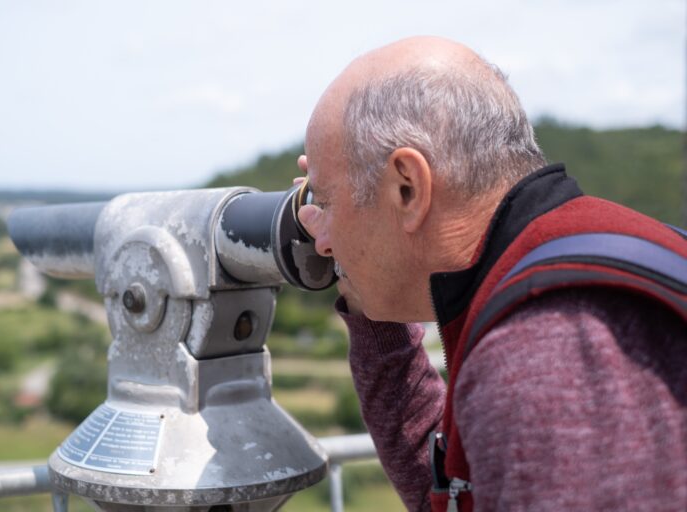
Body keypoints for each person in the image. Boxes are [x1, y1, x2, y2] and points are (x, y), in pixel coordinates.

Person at [294, 36, 687, 511]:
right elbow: (462, 490)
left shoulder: (548, 350)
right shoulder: (573, 261)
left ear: (407, 188)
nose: (323, 240)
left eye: (326, 202)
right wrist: (368, 304)